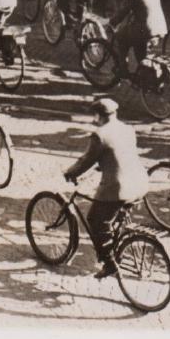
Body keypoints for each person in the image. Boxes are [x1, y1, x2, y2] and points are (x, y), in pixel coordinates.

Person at [63, 98, 149, 279]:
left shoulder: (99, 135)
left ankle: (109, 263)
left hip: (119, 188)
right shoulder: (128, 129)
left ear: (97, 115)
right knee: (113, 216)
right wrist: (104, 165)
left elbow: (87, 160)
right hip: (139, 183)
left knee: (95, 219)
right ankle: (119, 246)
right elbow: (119, 153)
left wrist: (71, 173)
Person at [110, 0, 168, 66]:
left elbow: (122, 13)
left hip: (145, 30)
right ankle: (143, 74)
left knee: (121, 38)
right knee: (141, 53)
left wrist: (111, 22)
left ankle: (122, 70)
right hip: (160, 28)